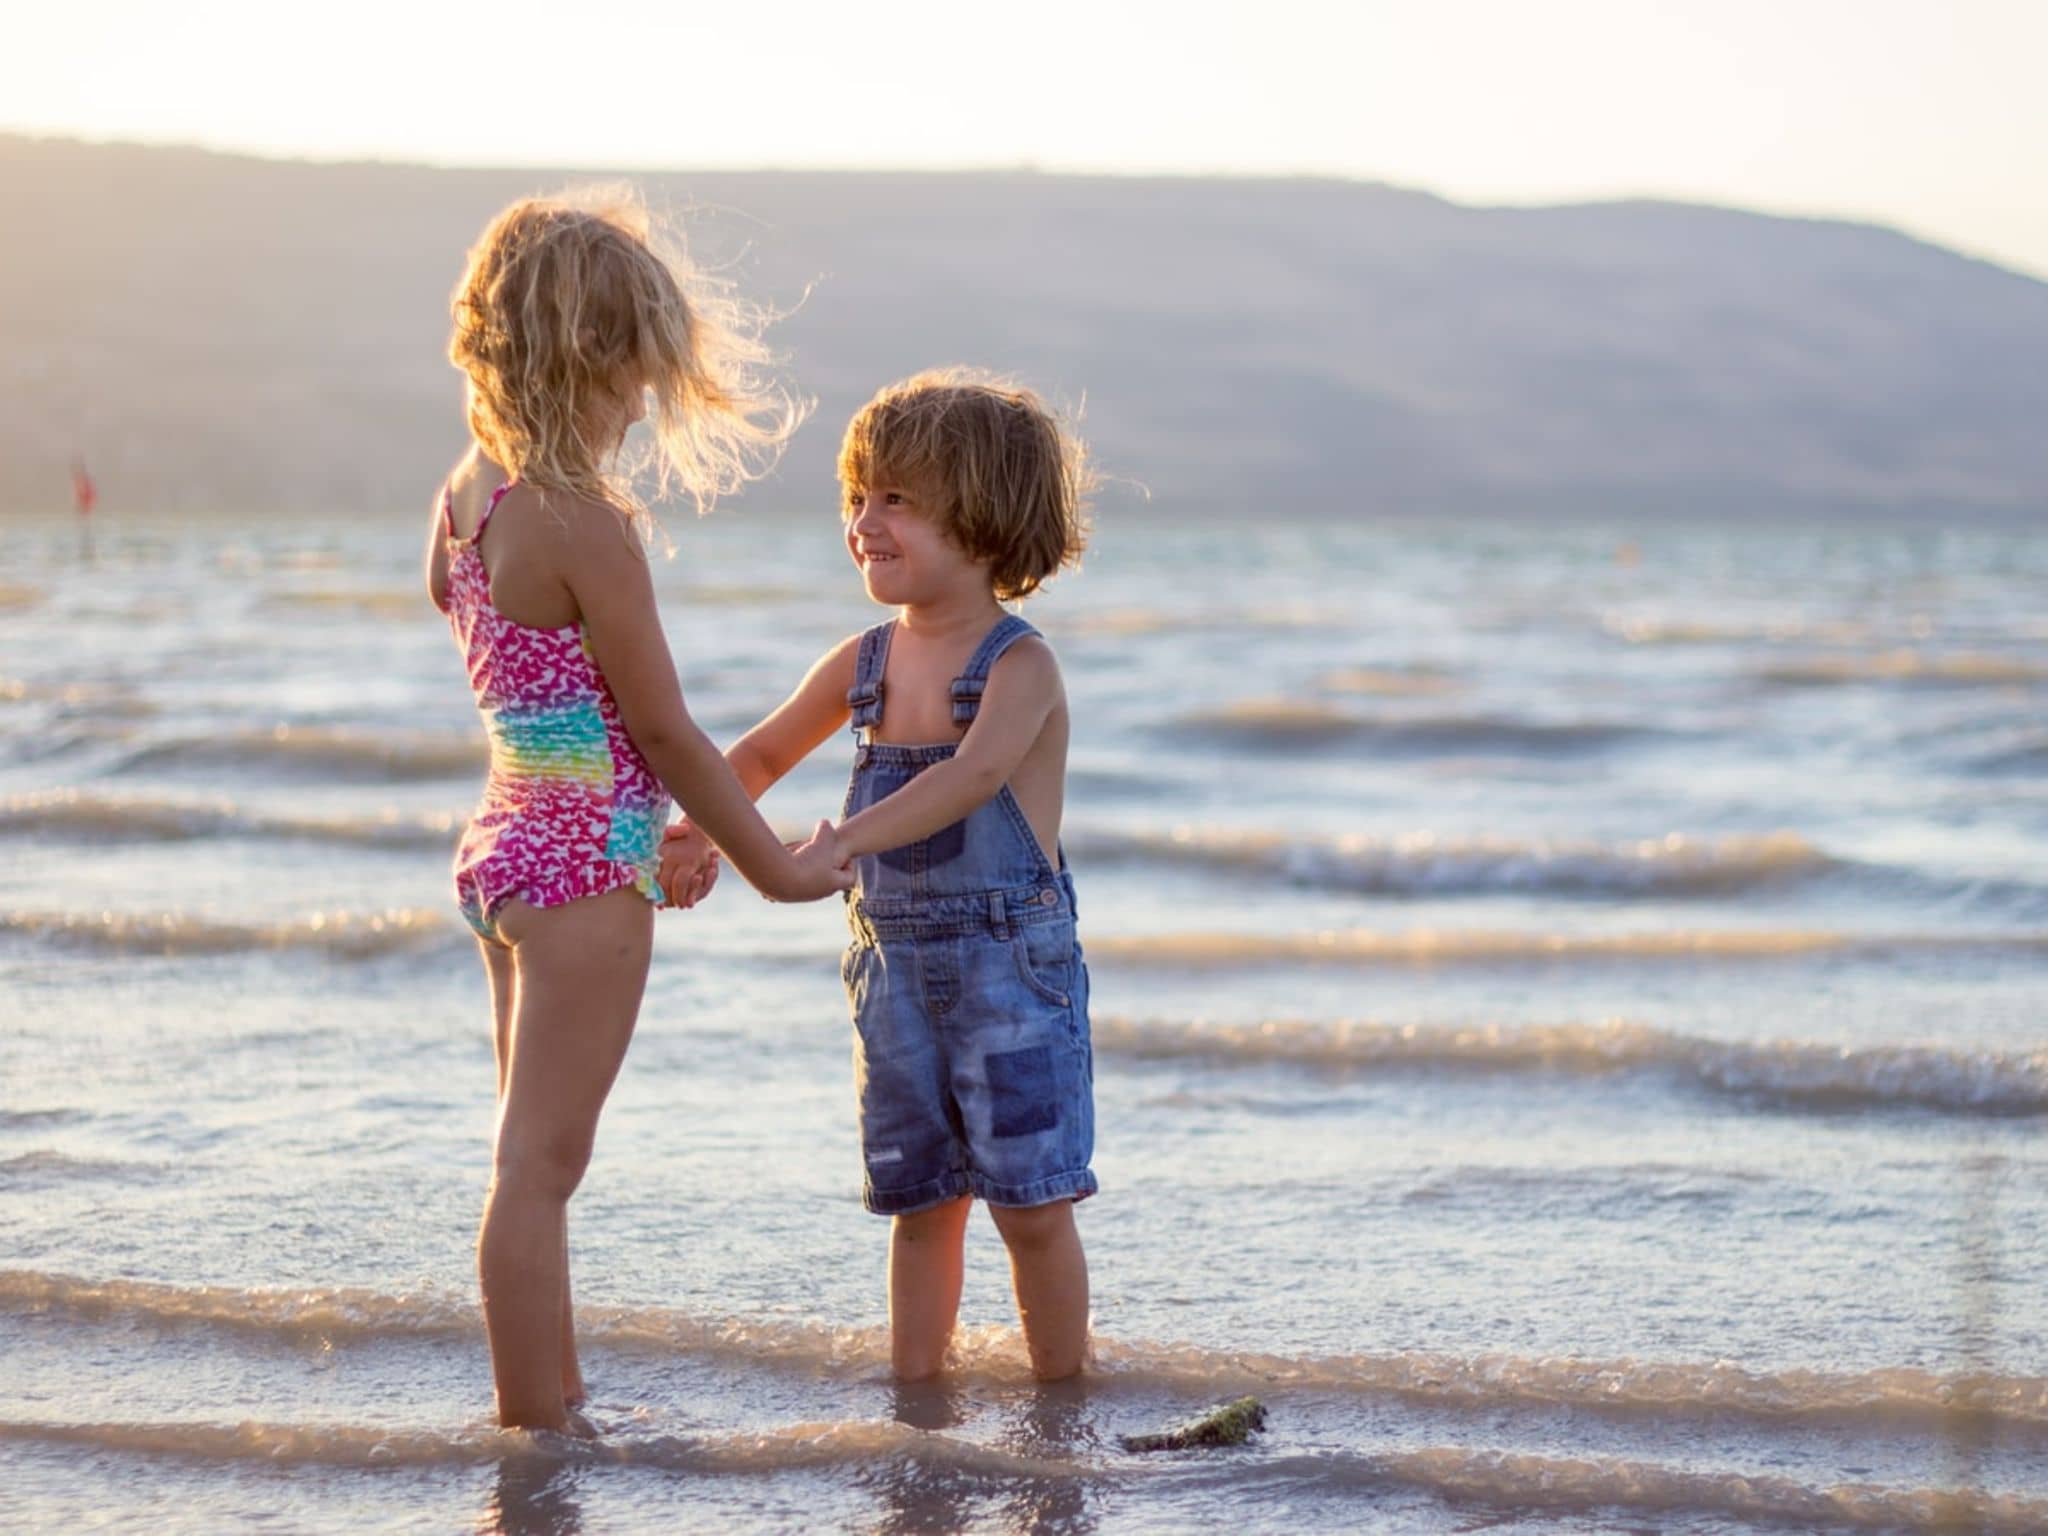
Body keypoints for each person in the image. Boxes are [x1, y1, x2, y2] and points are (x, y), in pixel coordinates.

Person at [426, 190, 848, 1434]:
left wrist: (614, 818)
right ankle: (535, 1437)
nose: (640, 410)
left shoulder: (469, 497)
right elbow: (661, 730)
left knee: (527, 1167)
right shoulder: (585, 526)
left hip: (504, 856)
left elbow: (503, 669)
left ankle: (551, 1402)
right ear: (590, 363)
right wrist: (772, 864)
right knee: (539, 1175)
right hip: (578, 891)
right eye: (635, 382)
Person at [659, 369, 1097, 1381]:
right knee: (919, 1202)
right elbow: (759, 758)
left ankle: (1061, 1399)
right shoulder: (860, 660)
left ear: (982, 518)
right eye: (857, 496)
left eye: (896, 499)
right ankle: (917, 1397)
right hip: (895, 978)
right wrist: (698, 830)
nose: (864, 521)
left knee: (1030, 1206)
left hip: (1010, 979)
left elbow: (970, 776)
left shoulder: (1019, 666)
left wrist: (839, 846)